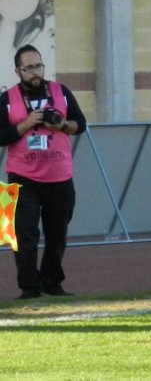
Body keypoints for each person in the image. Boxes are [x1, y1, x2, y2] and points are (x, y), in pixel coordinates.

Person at [1, 45, 88, 300]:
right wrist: (26, 124)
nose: (34, 72)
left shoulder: (61, 93)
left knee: (57, 233)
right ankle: (29, 288)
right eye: (28, 68)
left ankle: (52, 282)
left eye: (38, 66)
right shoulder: (7, 99)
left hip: (59, 175)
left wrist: (62, 125)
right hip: (22, 176)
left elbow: (79, 124)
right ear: (18, 71)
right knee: (24, 232)